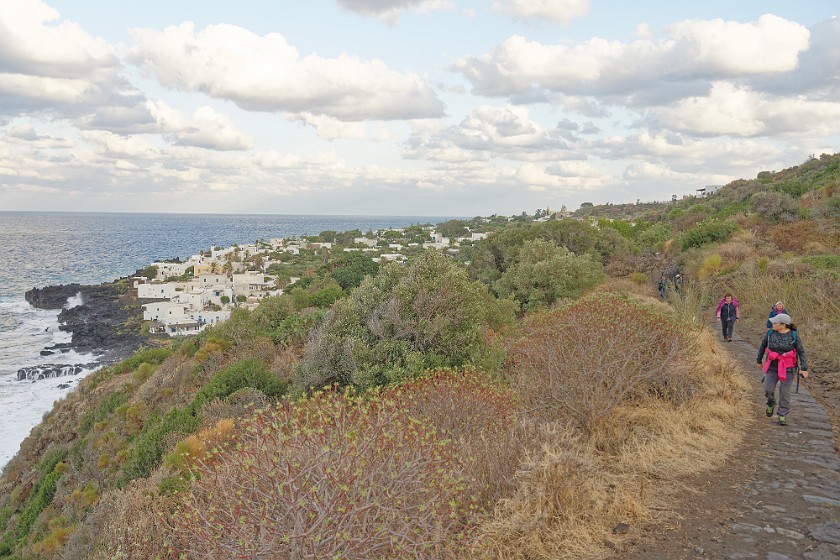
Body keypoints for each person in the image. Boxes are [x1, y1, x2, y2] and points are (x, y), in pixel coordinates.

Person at [758, 313, 808, 426]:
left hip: (788, 368)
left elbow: (801, 352)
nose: (772, 324)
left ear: (783, 325)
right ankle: (770, 403)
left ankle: (782, 415)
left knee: (784, 393)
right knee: (768, 389)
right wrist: (759, 360)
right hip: (772, 367)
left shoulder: (793, 336)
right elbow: (762, 346)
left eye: (775, 323)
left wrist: (804, 368)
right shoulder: (770, 333)